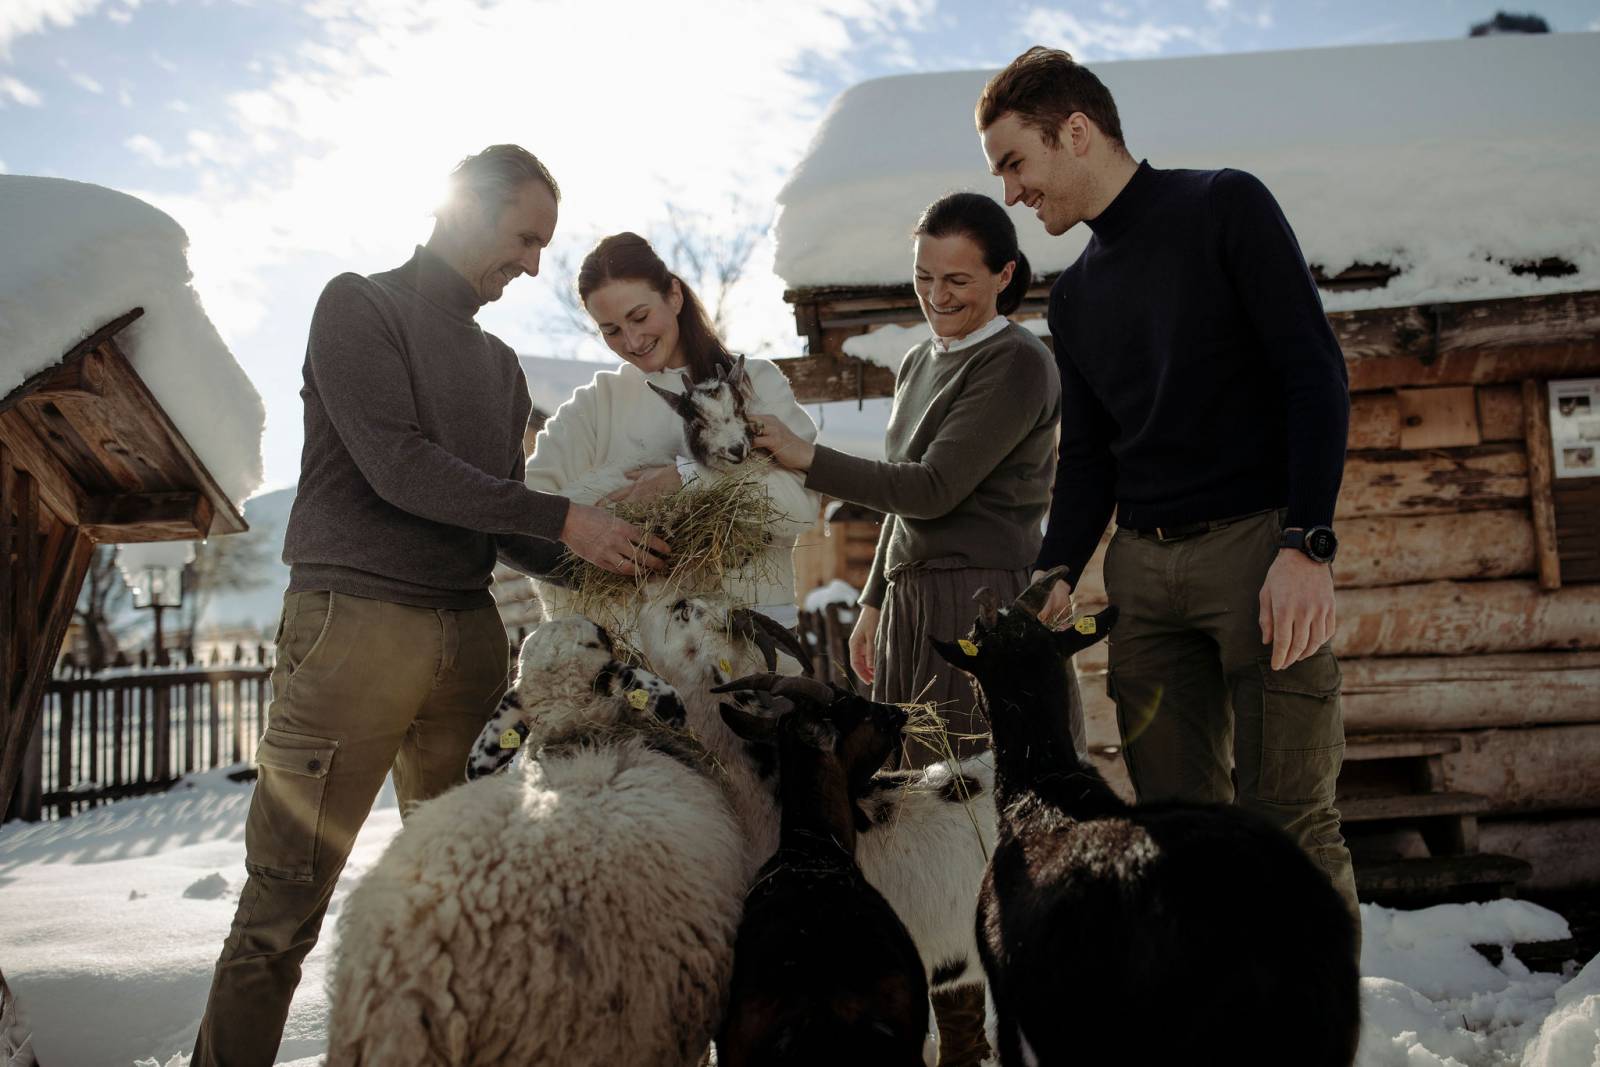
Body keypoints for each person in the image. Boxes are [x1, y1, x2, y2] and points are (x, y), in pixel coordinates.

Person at [192, 146, 668, 1066]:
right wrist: (564, 516)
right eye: (526, 237)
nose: (534, 265)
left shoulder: (499, 367)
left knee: (464, 899)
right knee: (283, 909)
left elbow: (507, 521)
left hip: (470, 645)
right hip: (356, 631)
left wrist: (623, 544)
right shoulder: (356, 306)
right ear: (466, 208)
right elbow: (400, 466)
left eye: (544, 246)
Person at [975, 47, 1361, 924]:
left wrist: (1308, 543)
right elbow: (1090, 458)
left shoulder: (1225, 205)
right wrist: (1058, 568)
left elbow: (1314, 375)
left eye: (1015, 163)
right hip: (1143, 583)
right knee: (1175, 834)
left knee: (1290, 820)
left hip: (1260, 557)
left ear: (1075, 131)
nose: (1011, 193)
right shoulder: (1073, 300)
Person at [754, 191, 1059, 1067]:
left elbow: (931, 487)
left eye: (958, 279)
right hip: (915, 599)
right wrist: (879, 597)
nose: (936, 294)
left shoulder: (1017, 366)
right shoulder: (924, 360)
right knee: (909, 813)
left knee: (974, 823)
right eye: (923, 276)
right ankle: (930, 1035)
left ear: (1005, 275)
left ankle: (998, 1035)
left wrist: (807, 456)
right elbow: (901, 497)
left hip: (979, 606)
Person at [525, 231, 819, 627]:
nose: (632, 340)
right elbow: (531, 513)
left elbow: (800, 510)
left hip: (749, 633)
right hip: (643, 655)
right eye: (610, 330)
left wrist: (688, 478)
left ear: (674, 296)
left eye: (640, 317)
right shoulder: (596, 404)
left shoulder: (755, 384)